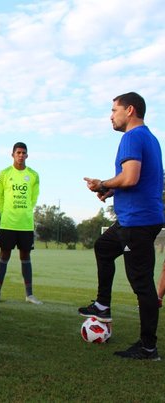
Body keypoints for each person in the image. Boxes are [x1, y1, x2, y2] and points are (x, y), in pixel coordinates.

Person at [79, 92, 163, 360]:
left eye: (114, 110)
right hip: (134, 219)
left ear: (129, 110)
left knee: (142, 284)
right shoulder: (149, 138)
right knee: (103, 247)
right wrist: (112, 192)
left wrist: (103, 184)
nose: (111, 116)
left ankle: (148, 347)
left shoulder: (132, 137)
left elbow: (130, 177)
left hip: (137, 222)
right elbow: (141, 180)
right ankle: (103, 305)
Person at [0, 142, 41, 305]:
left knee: (26, 256)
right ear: (12, 154)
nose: (21, 155)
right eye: (18, 152)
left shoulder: (33, 175)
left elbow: (33, 198)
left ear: (27, 155)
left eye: (23, 153)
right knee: (4, 255)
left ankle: (29, 295)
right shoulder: (4, 174)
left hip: (25, 224)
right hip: (8, 223)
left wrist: (24, 211)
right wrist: (6, 212)